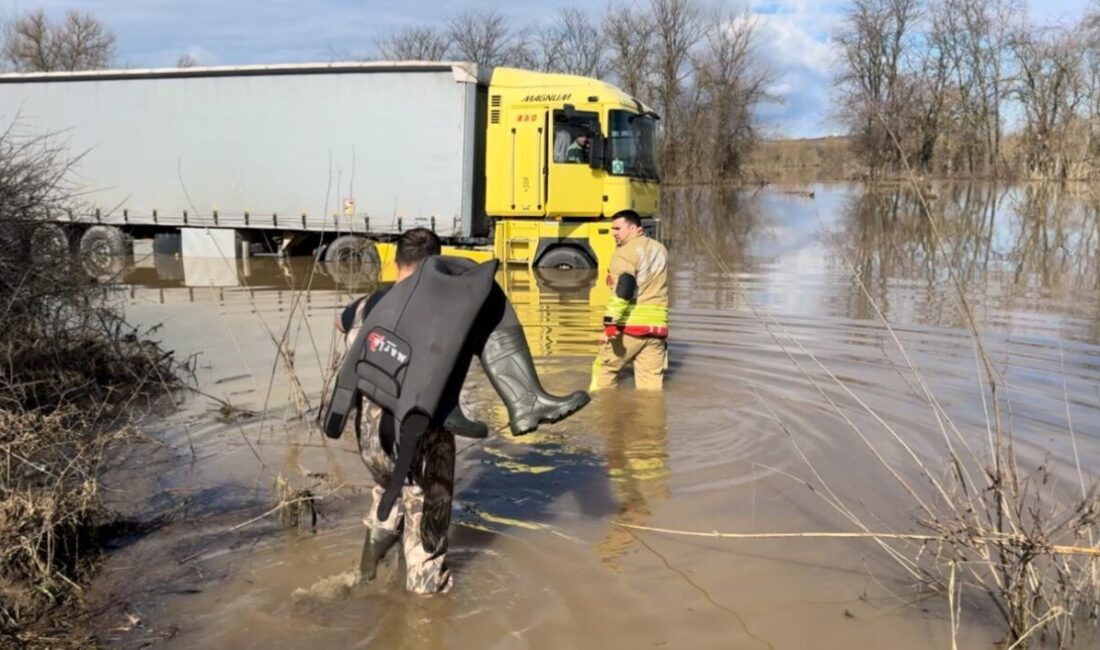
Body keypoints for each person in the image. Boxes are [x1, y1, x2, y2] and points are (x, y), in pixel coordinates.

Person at [334, 228, 590, 594]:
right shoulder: (451, 313)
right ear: (437, 263)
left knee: (386, 491)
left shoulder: (365, 306)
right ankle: (424, 618)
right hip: (422, 441)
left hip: (372, 442)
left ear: (395, 261)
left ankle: (363, 577)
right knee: (426, 535)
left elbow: (343, 324)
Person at [594, 213, 669, 391]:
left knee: (604, 369)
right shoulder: (661, 249)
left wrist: (610, 325)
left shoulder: (624, 253)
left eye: (618, 228)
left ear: (635, 228)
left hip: (632, 325)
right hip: (657, 328)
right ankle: (651, 417)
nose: (613, 233)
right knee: (650, 386)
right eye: (612, 228)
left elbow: (624, 289)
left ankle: (601, 414)